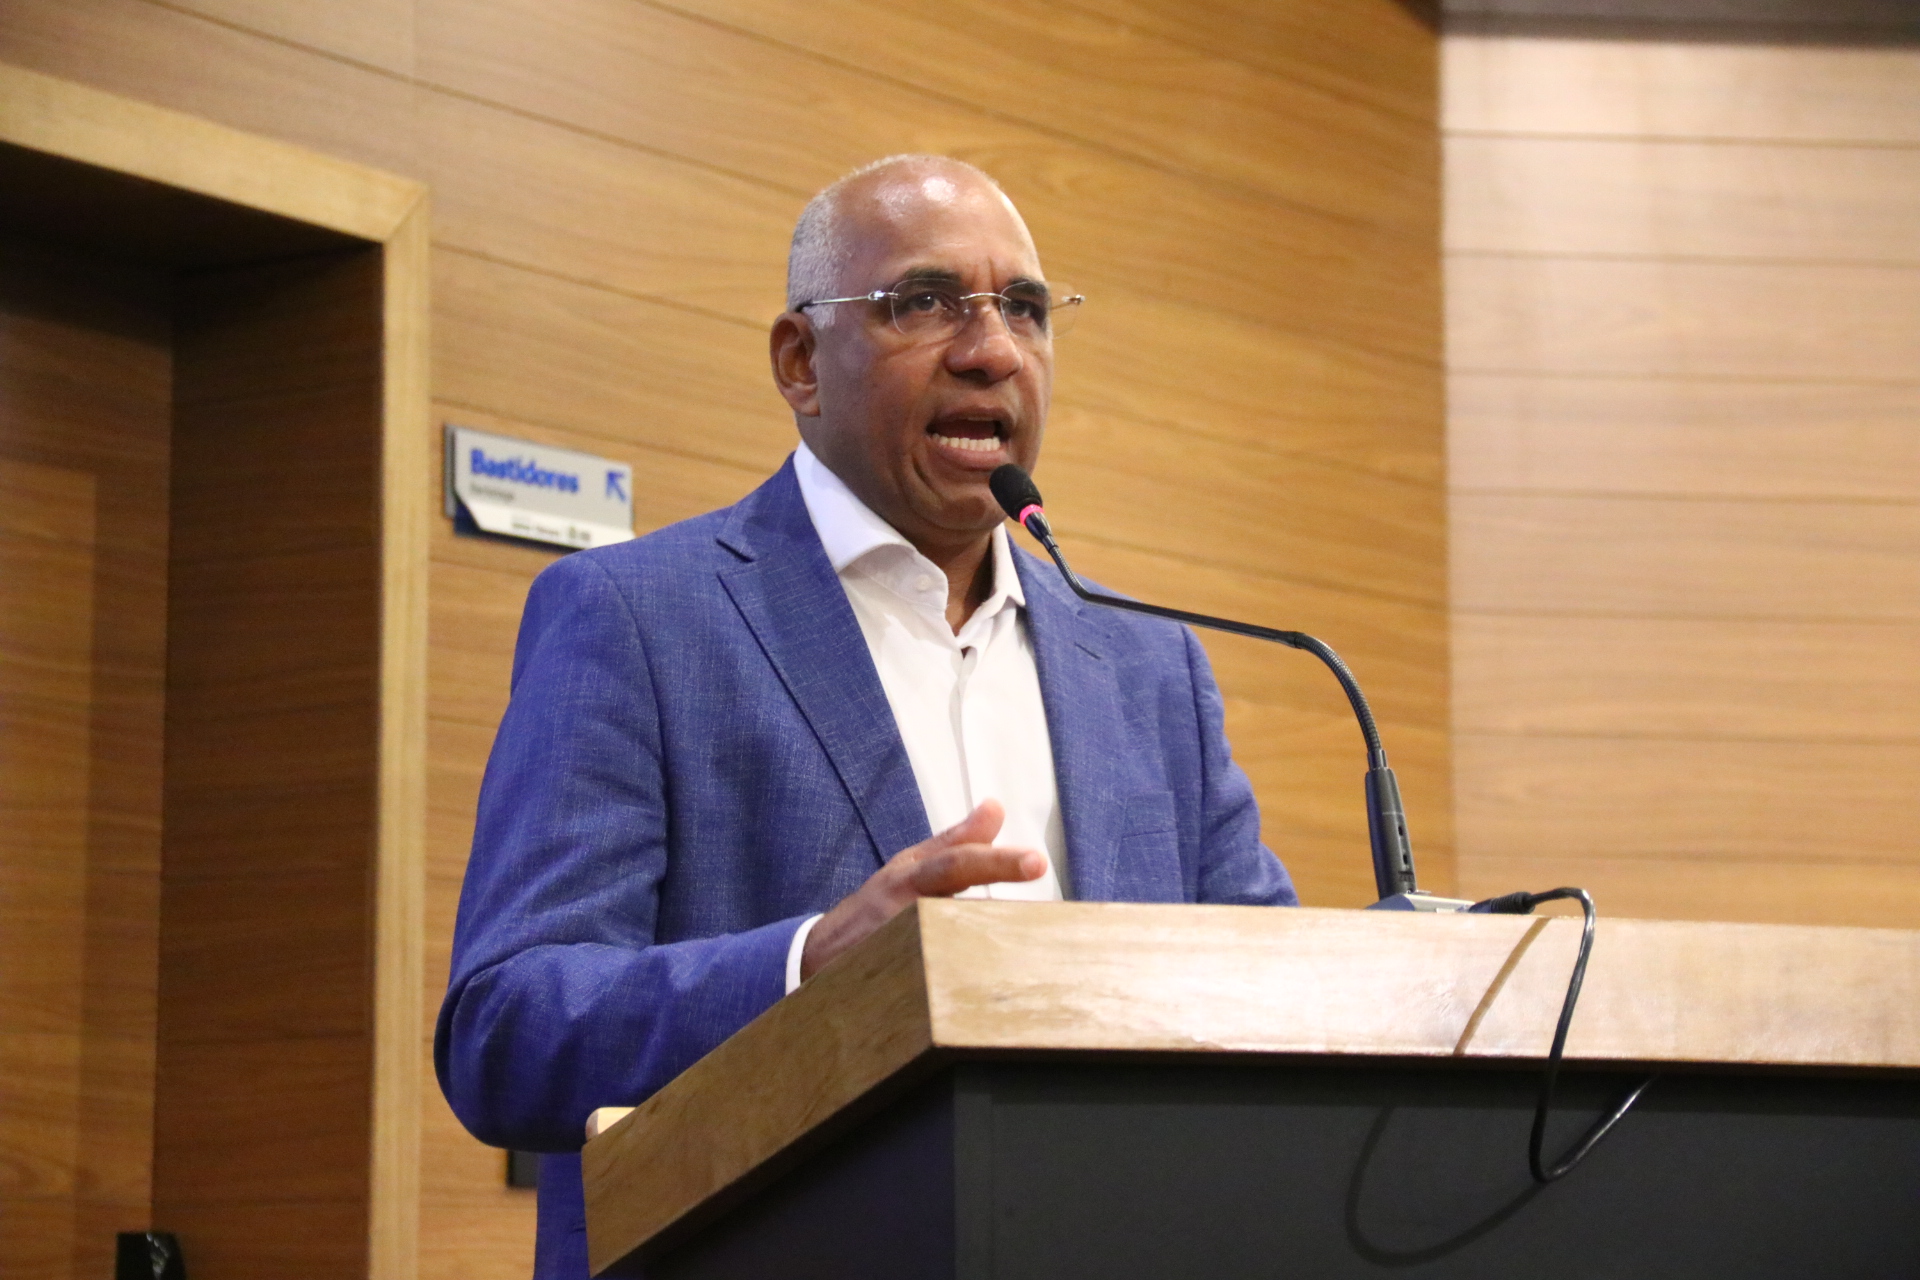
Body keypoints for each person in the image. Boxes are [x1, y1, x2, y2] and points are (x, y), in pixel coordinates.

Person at [436, 155, 1298, 1279]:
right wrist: (809, 966)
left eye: (1025, 309)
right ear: (801, 361)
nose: (992, 350)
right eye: (926, 302)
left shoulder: (1148, 665)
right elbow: (507, 1029)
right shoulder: (635, 617)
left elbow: (1272, 992)